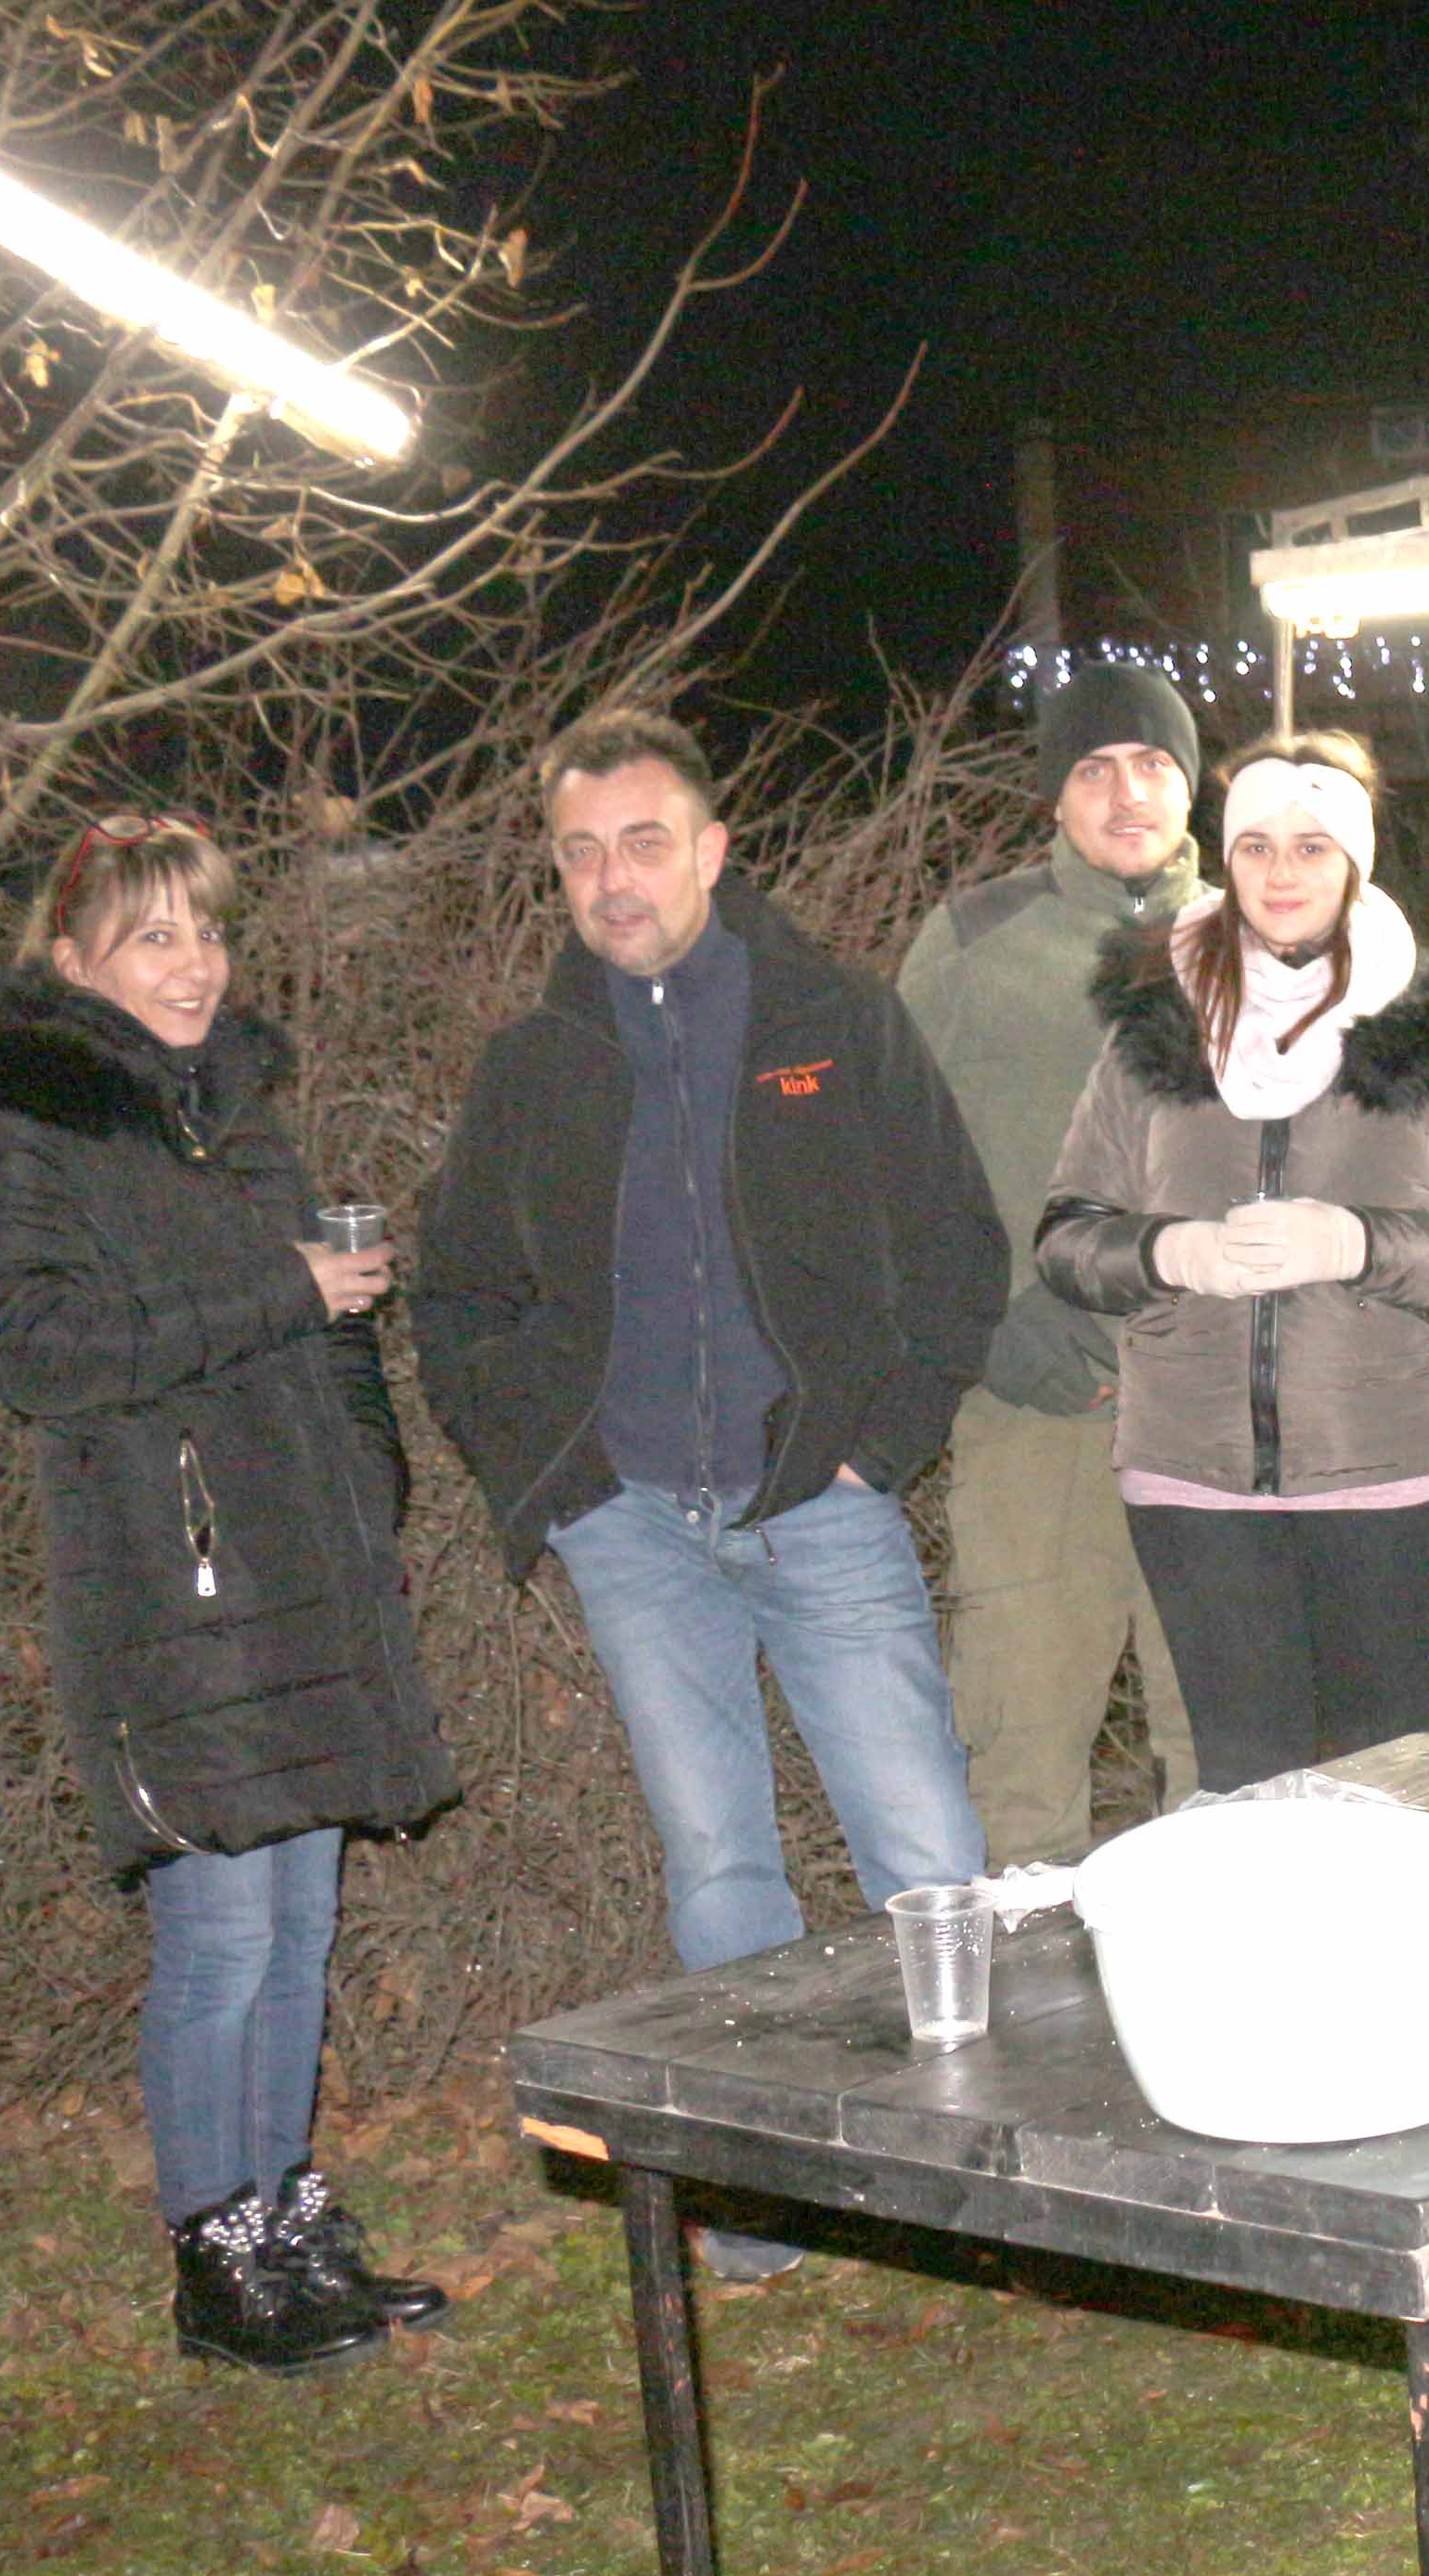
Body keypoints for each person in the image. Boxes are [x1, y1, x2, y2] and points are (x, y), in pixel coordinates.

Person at [418, 711, 998, 2279]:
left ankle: (976, 2181)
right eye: (583, 850)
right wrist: (556, 1477)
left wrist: (878, 1445)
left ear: (713, 850)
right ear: (558, 871)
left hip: (820, 1501)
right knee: (721, 1866)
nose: (615, 877)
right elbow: (454, 1292)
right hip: (636, 1529)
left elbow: (958, 1251)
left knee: (926, 1855)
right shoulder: (536, 1063)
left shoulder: (829, 1017)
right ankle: (761, 2206)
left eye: (645, 839)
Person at [0, 814, 459, 2375]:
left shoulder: (232, 1118)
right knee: (220, 1936)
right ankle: (212, 2252)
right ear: (74, 957)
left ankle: (286, 2221)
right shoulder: (29, 1136)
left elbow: (320, 1327)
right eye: (155, 935)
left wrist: (368, 1470)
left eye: (210, 931)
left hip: (300, 1574)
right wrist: (279, 1289)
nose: (195, 963)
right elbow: (44, 1355)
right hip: (172, 1589)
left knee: (298, 1927)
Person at [1035, 731, 1429, 1784]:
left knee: (1386, 1780)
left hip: (1395, 1476)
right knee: (1247, 1785)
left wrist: (1357, 1241)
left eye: (1312, 847)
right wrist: (1176, 1253)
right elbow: (1069, 1239)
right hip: (1195, 1481)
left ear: (1354, 861)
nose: (1281, 873)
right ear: (1224, 861)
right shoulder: (1157, 1027)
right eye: (1256, 847)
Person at [896, 662, 1207, 1871]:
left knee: (1230, 1748)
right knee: (1021, 1743)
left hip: (1226, 1411)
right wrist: (985, 1318)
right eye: (1093, 769)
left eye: (1151, 764)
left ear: (1190, 783)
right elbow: (888, 1158)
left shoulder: (1270, 930)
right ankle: (1027, 2026)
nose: (1125, 793)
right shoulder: (976, 943)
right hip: (1041, 1398)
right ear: (1055, 797)